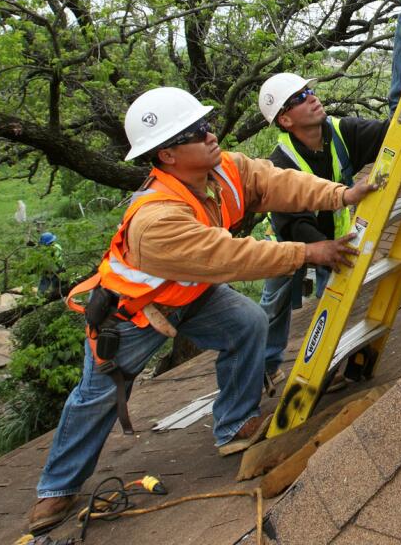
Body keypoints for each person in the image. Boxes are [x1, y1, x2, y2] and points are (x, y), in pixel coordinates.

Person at [26, 86, 375, 534]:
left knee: (247, 324)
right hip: (134, 315)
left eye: (207, 125)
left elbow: (274, 181)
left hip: (190, 294)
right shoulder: (156, 220)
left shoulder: (223, 171)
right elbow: (229, 256)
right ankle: (56, 488)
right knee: (97, 399)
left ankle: (234, 425)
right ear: (167, 155)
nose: (211, 135)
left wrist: (340, 196)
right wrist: (309, 253)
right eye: (195, 131)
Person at [256, 73, 388, 388]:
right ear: (285, 120)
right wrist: (322, 249)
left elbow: (389, 133)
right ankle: (265, 366)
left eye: (309, 91)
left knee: (334, 295)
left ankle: (325, 365)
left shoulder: (341, 132)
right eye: (299, 98)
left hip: (332, 235)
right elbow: (295, 223)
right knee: (274, 304)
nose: (312, 97)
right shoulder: (281, 164)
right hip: (288, 239)